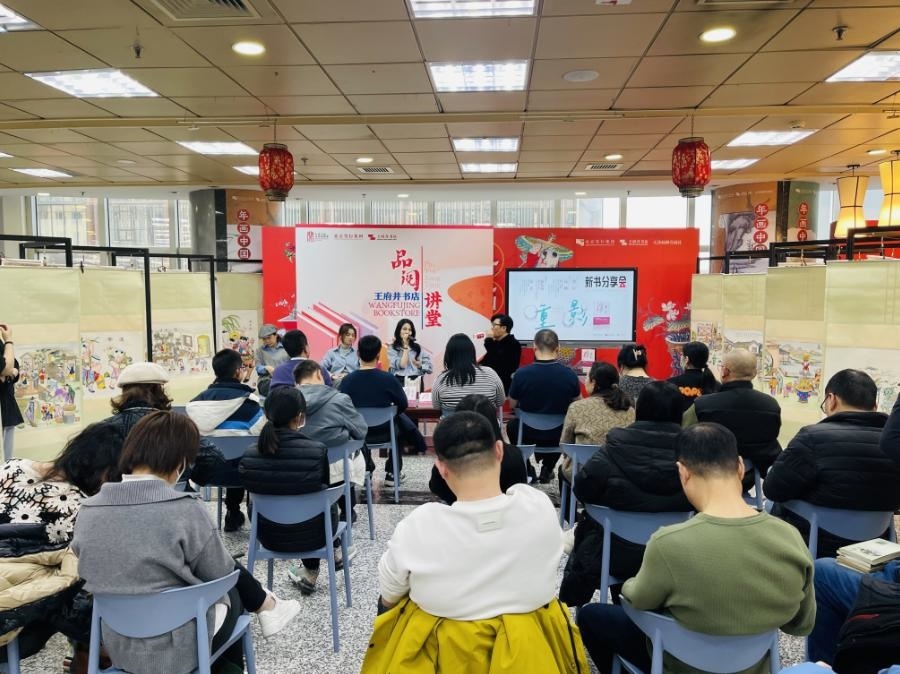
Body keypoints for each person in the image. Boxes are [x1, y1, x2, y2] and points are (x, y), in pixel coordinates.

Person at [72, 411, 300, 674]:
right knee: (232, 593)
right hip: (180, 651)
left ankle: (266, 609)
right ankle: (266, 609)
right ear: (180, 463)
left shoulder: (88, 511)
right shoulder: (185, 509)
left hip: (119, 646)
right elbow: (220, 573)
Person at [577, 423, 815, 674]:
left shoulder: (668, 543)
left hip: (678, 664)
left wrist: (628, 584)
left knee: (592, 617)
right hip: (754, 666)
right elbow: (801, 625)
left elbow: (638, 600)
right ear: (740, 466)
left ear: (683, 472)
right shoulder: (790, 538)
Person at [362, 412, 588, 674]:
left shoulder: (420, 525)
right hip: (532, 651)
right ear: (499, 451)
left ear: (441, 468)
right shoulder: (537, 505)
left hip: (446, 654)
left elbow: (389, 595)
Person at [0, 421, 123, 668]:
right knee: (84, 590)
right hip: (16, 613)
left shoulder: (10, 467)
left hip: (8, 585)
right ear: (105, 472)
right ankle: (88, 658)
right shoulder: (79, 506)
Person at [560, 381, 689, 608]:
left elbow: (583, 488)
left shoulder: (614, 447)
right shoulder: (694, 453)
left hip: (614, 553)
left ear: (639, 410)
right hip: (678, 555)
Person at [764, 369, 900, 558]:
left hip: (816, 543)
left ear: (831, 399)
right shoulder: (894, 445)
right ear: (875, 406)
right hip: (876, 545)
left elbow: (772, 490)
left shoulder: (811, 437)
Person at [239, 387, 345, 597]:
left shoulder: (250, 454)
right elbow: (321, 492)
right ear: (299, 417)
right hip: (316, 535)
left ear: (266, 414)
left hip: (267, 536)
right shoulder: (317, 451)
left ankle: (314, 567)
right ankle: (331, 553)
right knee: (322, 503)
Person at [102, 361, 222, 487]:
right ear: (158, 390)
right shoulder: (176, 425)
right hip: (174, 493)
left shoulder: (103, 427)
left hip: (117, 496)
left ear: (124, 392)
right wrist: (186, 474)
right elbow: (214, 459)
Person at [186, 348, 266, 532]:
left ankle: (232, 513)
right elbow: (261, 435)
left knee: (226, 456)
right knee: (242, 455)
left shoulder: (196, 403)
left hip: (204, 473)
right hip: (244, 474)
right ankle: (234, 512)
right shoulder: (249, 403)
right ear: (238, 372)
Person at [683, 348, 781, 491]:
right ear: (754, 373)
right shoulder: (771, 405)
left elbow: (685, 436)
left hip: (708, 476)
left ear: (725, 372)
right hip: (749, 475)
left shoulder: (702, 405)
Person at [340, 335, 427, 486]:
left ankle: (365, 471)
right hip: (386, 432)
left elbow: (343, 409)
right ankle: (393, 473)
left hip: (358, 433)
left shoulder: (347, 381)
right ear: (378, 355)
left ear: (358, 354)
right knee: (399, 425)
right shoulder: (388, 379)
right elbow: (403, 404)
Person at [293, 358, 367, 522]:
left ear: (296, 381)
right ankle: (347, 510)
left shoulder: (287, 401)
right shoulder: (340, 399)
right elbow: (361, 431)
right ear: (319, 375)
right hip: (337, 467)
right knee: (348, 452)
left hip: (297, 466)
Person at [508, 329, 581, 484]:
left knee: (512, 426)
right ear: (558, 348)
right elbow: (578, 404)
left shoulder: (521, 374)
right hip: (558, 434)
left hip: (527, 432)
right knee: (570, 426)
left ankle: (527, 468)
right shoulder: (569, 375)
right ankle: (548, 467)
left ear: (534, 347)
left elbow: (512, 404)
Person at [428, 394, 527, 505]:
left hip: (458, 510)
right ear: (494, 422)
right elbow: (520, 489)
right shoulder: (513, 455)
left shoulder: (448, 458)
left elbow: (436, 486)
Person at [431, 333, 504, 415]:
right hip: (486, 423)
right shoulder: (490, 373)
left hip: (454, 423)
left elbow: (436, 407)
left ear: (449, 355)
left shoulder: (441, 379)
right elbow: (500, 401)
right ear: (472, 352)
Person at [667, 341, 720, 410]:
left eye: (682, 355)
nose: (680, 357)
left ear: (686, 359)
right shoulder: (715, 384)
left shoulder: (671, 383)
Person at [479, 313, 521, 394]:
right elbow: (487, 360)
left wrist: (489, 340)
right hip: (489, 384)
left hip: (501, 386)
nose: (492, 328)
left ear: (504, 328)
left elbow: (497, 361)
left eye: (494, 325)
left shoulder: (513, 344)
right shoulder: (496, 342)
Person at [387, 319, 432, 390]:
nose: (407, 332)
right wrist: (405, 347)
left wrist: (420, 365)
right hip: (399, 380)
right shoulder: (393, 348)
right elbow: (402, 365)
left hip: (416, 381)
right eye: (404, 329)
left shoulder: (418, 348)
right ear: (399, 331)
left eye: (410, 330)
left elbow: (430, 368)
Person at [0, 324, 23, 461]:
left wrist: (9, 373)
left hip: (7, 406)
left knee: (6, 459)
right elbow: (6, 368)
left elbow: (13, 366)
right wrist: (8, 340)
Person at [320, 323, 360, 387]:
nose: (351, 337)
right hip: (335, 382)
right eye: (348, 335)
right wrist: (332, 375)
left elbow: (362, 369)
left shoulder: (358, 353)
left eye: (353, 335)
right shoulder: (331, 353)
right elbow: (321, 367)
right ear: (341, 336)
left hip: (353, 382)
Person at [254, 324, 288, 396]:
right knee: (276, 388)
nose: (267, 341)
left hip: (285, 380)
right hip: (266, 381)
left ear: (276, 335)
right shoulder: (259, 351)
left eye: (269, 338)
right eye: (264, 339)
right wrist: (265, 368)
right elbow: (258, 367)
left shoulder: (286, 348)